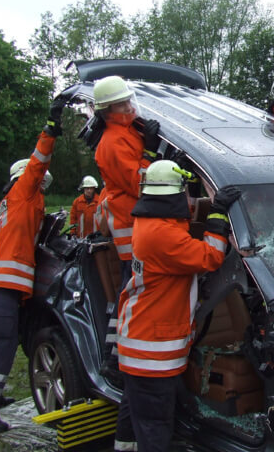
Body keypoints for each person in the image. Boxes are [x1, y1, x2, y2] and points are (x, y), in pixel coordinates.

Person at [116, 159, 240, 451]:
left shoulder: (150, 222)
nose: (188, 198)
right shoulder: (163, 236)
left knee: (136, 413)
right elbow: (210, 256)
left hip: (140, 343)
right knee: (155, 428)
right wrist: (219, 214)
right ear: (173, 196)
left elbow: (180, 221)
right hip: (152, 353)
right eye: (185, 192)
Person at [0, 97, 66, 433]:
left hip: (2, 286)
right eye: (41, 186)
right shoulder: (23, 192)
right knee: (3, 344)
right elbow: (39, 162)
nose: (43, 193)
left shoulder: (15, 204)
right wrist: (51, 128)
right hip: (4, 286)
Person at [92, 75, 163, 384]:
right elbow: (140, 184)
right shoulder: (112, 142)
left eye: (128, 100)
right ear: (109, 110)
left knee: (128, 291)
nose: (130, 107)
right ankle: (116, 360)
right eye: (123, 104)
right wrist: (149, 153)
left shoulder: (125, 132)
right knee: (131, 294)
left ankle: (116, 356)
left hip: (136, 225)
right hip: (129, 228)